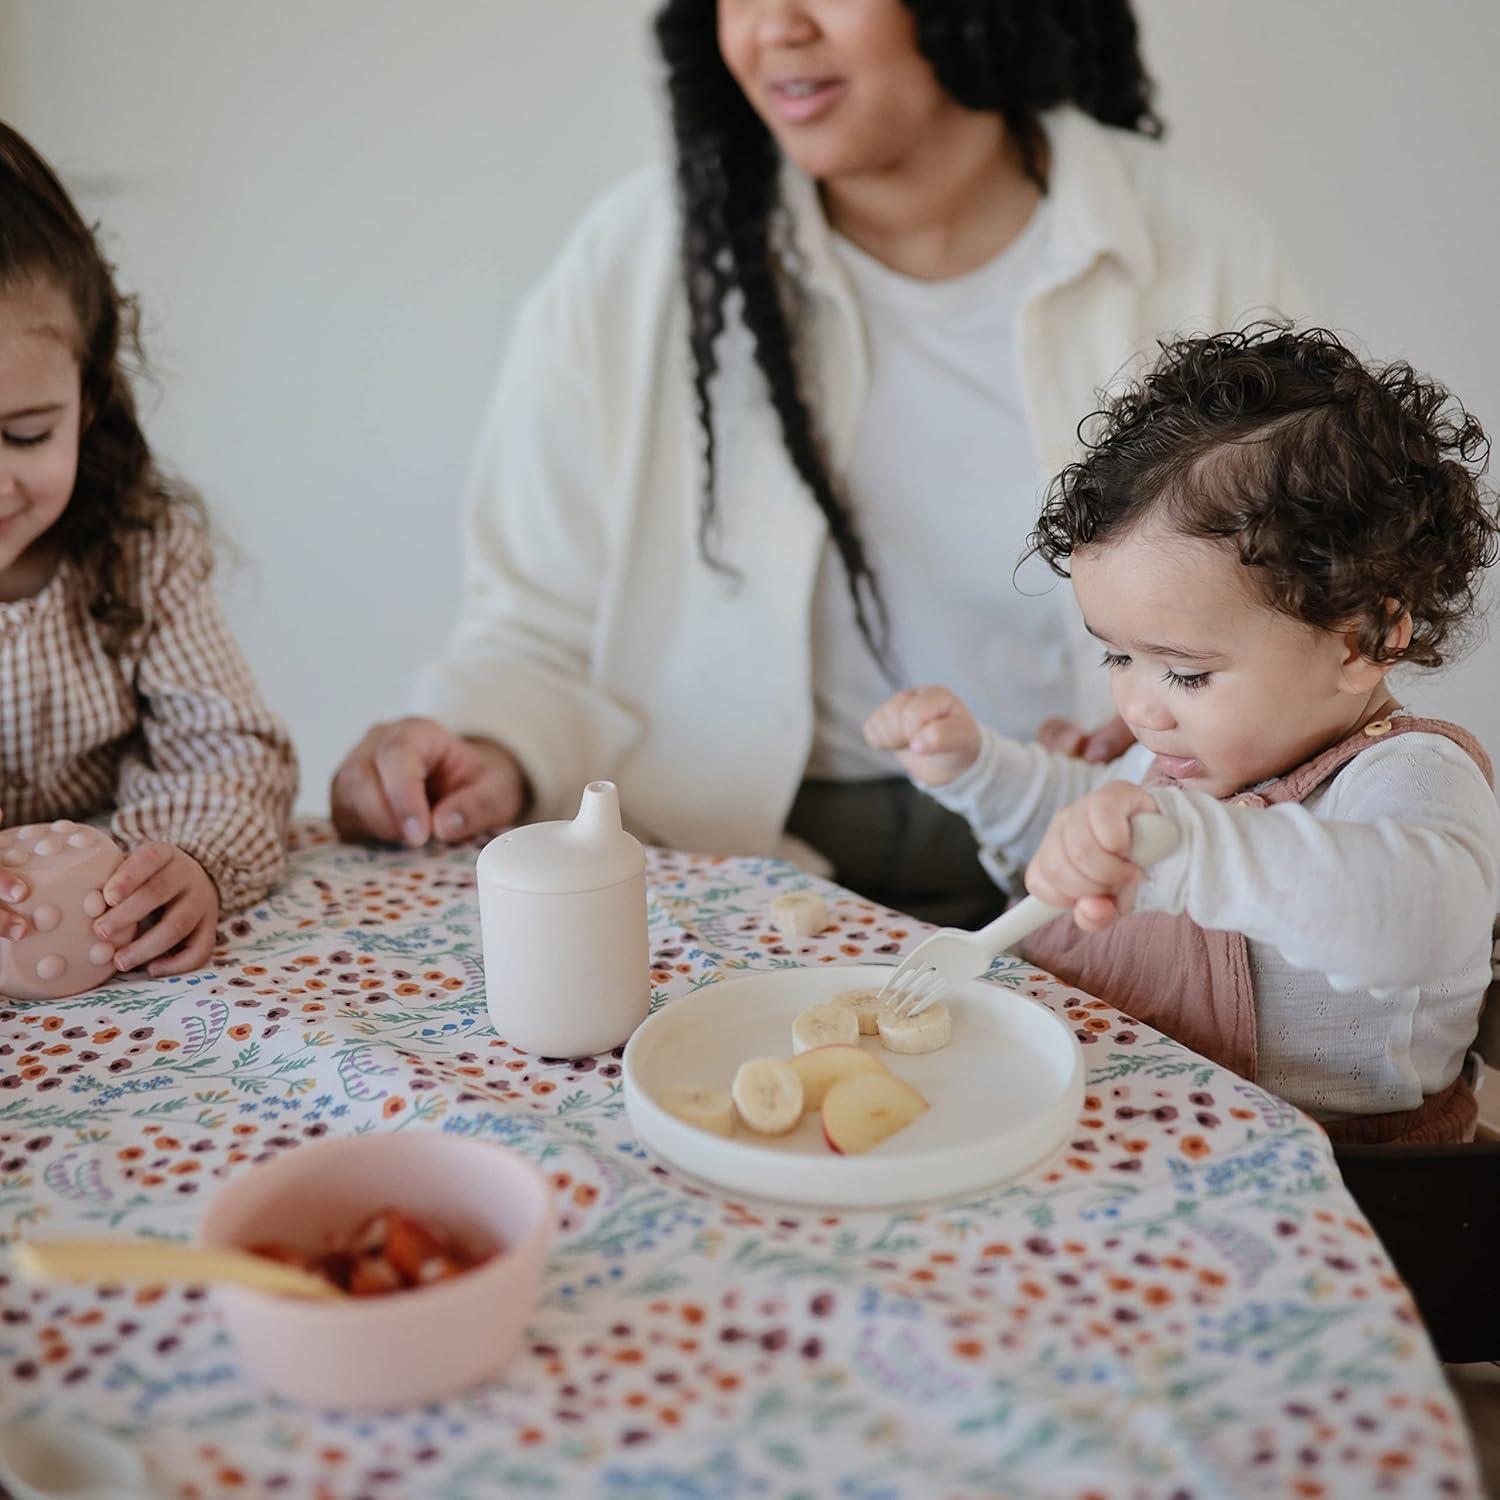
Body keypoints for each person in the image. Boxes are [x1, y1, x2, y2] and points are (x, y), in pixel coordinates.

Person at [331, 0, 1300, 925]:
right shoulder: (634, 265)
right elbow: (530, 624)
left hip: (1107, 867)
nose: (772, 29)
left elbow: (1309, 606)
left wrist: (1175, 730)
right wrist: (487, 748)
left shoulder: (1200, 254)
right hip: (738, 873)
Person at [865, 324, 1499, 1142]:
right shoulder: (1182, 754)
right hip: (1127, 1132)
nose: (1141, 705)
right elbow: (1083, 835)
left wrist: (1192, 851)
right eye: (1117, 657)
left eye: (1187, 672)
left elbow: (1425, 927)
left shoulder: (1407, 775)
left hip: (1329, 1185)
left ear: (1362, 642)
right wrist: (979, 769)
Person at [0, 121, 298, 976]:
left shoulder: (141, 551)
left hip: (127, 975)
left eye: (26, 434)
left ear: (86, 399)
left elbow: (237, 753)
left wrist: (192, 862)